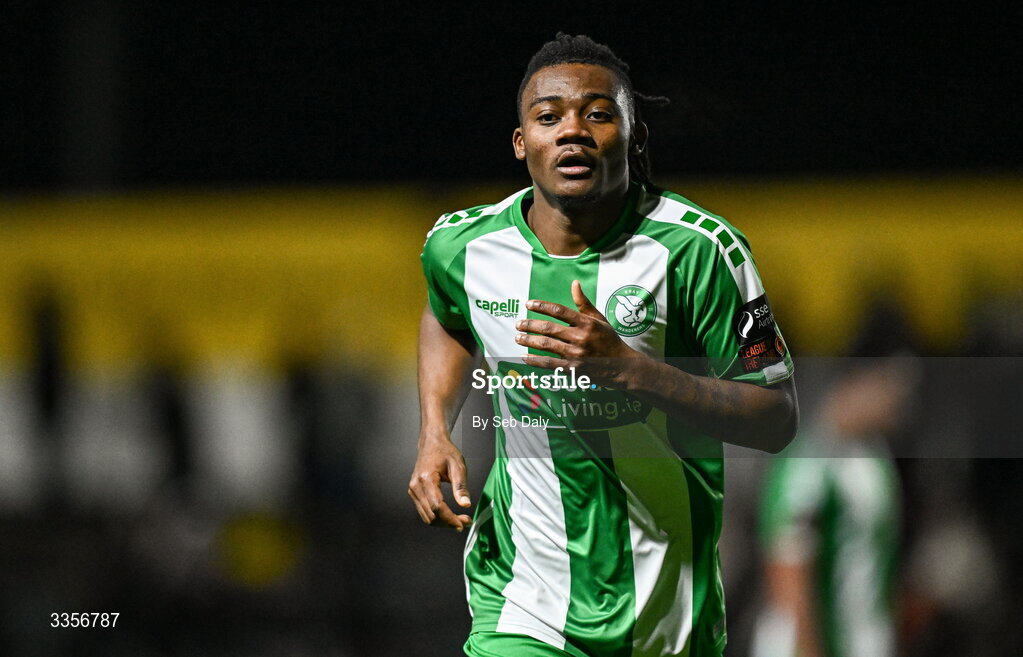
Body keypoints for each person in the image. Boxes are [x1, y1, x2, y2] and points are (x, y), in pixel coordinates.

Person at [409, 33, 798, 657]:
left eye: (598, 113)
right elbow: (446, 311)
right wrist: (434, 429)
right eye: (548, 117)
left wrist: (634, 372)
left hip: (665, 611)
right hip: (522, 599)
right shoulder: (464, 246)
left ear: (635, 135)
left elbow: (776, 416)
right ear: (521, 143)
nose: (573, 131)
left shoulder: (706, 252)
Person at [752, 359, 912, 657]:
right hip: (819, 644)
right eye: (886, 384)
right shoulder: (810, 462)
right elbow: (789, 570)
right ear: (854, 382)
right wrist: (810, 649)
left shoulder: (872, 454)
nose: (897, 399)